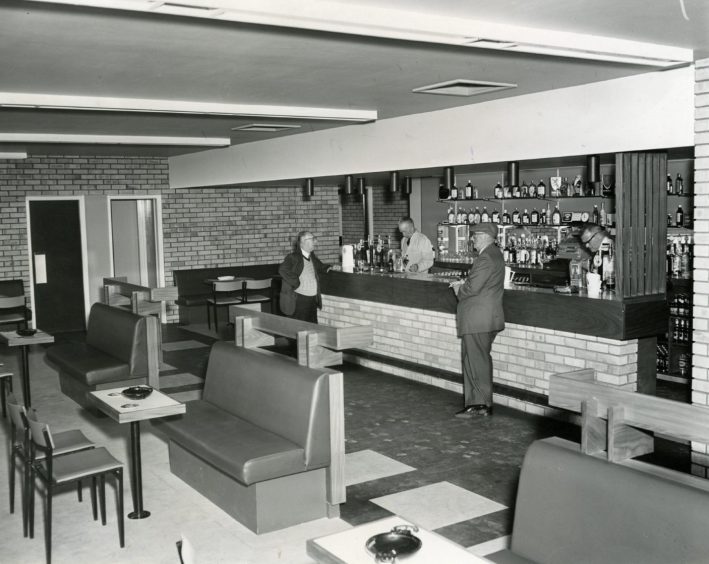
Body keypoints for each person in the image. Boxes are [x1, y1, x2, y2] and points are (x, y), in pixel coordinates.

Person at [449, 222, 505, 417]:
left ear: (484, 236)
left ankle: (479, 405)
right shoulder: (495, 254)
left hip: (478, 319)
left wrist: (459, 288)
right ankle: (479, 403)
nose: (472, 238)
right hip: (485, 318)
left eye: (474, 235)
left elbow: (472, 289)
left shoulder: (486, 258)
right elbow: (481, 284)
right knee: (477, 359)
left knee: (475, 361)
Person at [279, 231, 331, 323]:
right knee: (300, 329)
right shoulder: (293, 257)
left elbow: (321, 267)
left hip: (312, 299)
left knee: (312, 328)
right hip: (300, 299)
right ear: (303, 242)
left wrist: (330, 267)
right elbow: (282, 270)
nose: (315, 242)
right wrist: (297, 283)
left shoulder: (312, 257)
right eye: (312, 239)